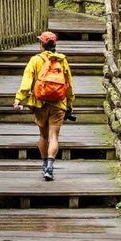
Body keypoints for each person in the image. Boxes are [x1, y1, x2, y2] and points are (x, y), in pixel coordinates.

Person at [13, 30, 76, 180]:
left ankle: (43, 165)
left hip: (39, 103)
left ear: (42, 44)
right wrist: (70, 103)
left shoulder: (35, 60)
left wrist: (18, 99)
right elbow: (69, 83)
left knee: (43, 135)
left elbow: (26, 82)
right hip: (59, 103)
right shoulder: (62, 60)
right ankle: (50, 167)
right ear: (54, 44)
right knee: (54, 136)